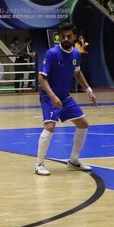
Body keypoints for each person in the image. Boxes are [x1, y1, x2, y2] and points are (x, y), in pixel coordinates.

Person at [35, 23, 99, 176]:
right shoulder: (52, 53)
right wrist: (52, 96)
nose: (65, 38)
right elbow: (41, 78)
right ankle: (38, 164)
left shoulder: (76, 54)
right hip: (49, 96)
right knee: (50, 127)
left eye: (69, 36)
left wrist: (89, 91)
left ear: (74, 37)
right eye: (62, 36)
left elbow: (77, 73)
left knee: (83, 124)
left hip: (64, 97)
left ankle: (73, 161)